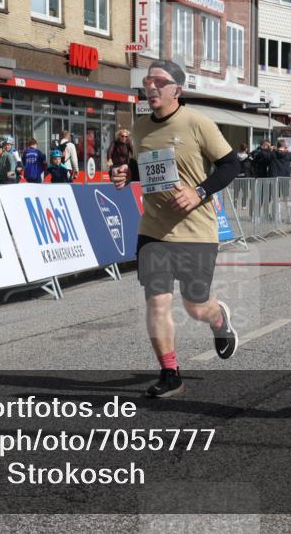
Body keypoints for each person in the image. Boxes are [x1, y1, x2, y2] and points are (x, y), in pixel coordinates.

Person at [112, 59, 241, 398]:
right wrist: (128, 175)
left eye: (159, 81)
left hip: (196, 231)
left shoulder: (197, 123)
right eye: (147, 80)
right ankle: (170, 373)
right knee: (157, 303)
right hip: (153, 230)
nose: (150, 86)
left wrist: (199, 191)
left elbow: (231, 166)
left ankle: (218, 319)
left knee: (195, 306)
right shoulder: (140, 128)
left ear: (177, 90)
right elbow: (147, 169)